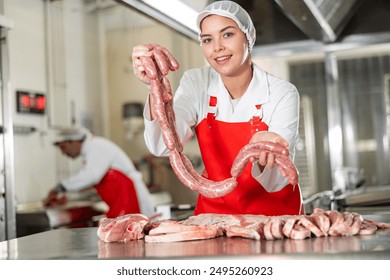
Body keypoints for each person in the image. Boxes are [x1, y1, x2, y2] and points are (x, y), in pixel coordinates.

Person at [132, 1, 303, 216]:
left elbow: (278, 180)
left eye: (228, 34)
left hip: (273, 218)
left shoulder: (281, 93)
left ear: (249, 37)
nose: (217, 47)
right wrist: (154, 85)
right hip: (214, 216)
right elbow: (162, 146)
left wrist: (266, 153)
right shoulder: (197, 82)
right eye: (207, 39)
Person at [43, 126, 155, 218]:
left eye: (63, 147)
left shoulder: (95, 146)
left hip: (132, 199)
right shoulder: (91, 150)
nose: (64, 153)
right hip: (123, 202)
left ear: (74, 141)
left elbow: (91, 176)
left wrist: (60, 187)